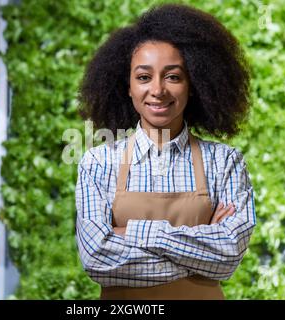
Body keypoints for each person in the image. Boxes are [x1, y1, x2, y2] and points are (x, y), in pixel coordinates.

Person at [75, 3, 256, 300]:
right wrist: (200, 257)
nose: (158, 90)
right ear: (128, 86)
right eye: (144, 77)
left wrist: (131, 233)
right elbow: (96, 258)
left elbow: (228, 258)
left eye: (173, 76)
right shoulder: (98, 163)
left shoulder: (225, 162)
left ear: (193, 84)